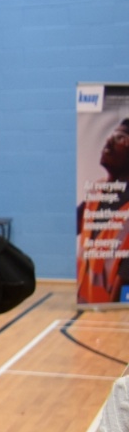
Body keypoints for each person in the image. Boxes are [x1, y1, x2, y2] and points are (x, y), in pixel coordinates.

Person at [79, 117, 129, 304]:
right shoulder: (97, 191)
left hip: (111, 308)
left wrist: (110, 312)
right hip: (86, 305)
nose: (109, 141)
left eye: (120, 138)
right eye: (111, 136)